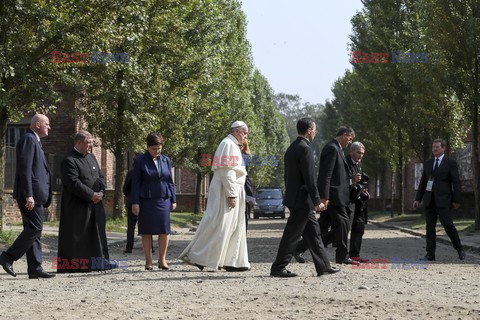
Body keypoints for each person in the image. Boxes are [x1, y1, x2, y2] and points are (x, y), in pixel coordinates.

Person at [270, 118, 340, 277]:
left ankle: (323, 266)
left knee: (314, 235)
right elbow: (309, 179)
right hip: (302, 201)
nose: (315, 132)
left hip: (297, 199)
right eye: (314, 130)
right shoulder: (305, 149)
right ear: (309, 130)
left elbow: (287, 177)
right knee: (291, 236)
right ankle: (278, 267)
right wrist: (317, 201)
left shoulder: (292, 148)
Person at [179, 121, 250, 272]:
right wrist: (231, 194)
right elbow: (226, 171)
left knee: (232, 227)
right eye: (244, 133)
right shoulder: (228, 144)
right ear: (237, 131)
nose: (246, 137)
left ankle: (232, 261)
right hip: (227, 191)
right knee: (221, 225)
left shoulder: (232, 145)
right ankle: (199, 256)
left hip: (233, 190)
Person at [0, 114, 54, 279]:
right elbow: (25, 169)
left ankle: (35, 268)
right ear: (37, 124)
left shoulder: (35, 140)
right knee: (35, 228)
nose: (49, 127)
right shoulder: (29, 139)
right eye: (47, 124)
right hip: (31, 195)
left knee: (35, 231)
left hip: (36, 195)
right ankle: (7, 257)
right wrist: (28, 194)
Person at [57, 130, 112, 273]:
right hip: (78, 205)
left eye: (92, 143)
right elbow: (73, 183)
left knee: (97, 233)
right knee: (78, 236)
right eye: (88, 143)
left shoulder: (92, 158)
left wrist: (100, 192)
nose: (91, 146)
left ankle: (99, 262)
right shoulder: (69, 160)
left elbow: (100, 177)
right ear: (78, 142)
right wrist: (91, 195)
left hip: (95, 203)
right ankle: (76, 265)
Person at [413, 138, 465, 261]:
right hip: (429, 200)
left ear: (443, 148)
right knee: (430, 228)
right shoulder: (428, 163)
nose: (434, 149)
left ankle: (459, 248)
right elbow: (423, 182)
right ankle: (430, 254)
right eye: (433, 147)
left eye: (437, 147)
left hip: (444, 200)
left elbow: (456, 182)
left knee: (448, 225)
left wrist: (456, 200)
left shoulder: (450, 163)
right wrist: (417, 199)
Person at [131, 133, 176, 270]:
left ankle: (162, 260)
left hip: (163, 199)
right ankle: (148, 261)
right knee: (147, 230)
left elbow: (170, 181)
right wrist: (135, 202)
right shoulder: (140, 161)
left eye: (159, 148)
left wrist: (173, 199)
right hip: (146, 200)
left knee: (164, 230)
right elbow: (136, 183)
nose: (157, 151)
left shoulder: (166, 160)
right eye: (154, 149)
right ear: (147, 147)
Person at [317, 127, 357, 265]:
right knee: (344, 223)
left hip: (337, 196)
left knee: (343, 224)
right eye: (350, 139)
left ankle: (303, 246)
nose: (350, 142)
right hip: (333, 196)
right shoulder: (332, 148)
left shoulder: (337, 149)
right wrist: (324, 196)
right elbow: (326, 174)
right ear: (344, 135)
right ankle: (342, 256)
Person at [123, 153, 155, 254]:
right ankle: (150, 247)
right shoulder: (149, 172)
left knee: (131, 226)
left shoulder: (131, 172)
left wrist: (128, 194)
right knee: (148, 226)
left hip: (132, 201)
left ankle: (129, 247)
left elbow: (125, 188)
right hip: (146, 201)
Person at [345, 142, 370, 261]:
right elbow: (340, 180)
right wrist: (351, 181)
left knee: (359, 227)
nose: (360, 156)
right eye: (358, 153)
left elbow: (359, 181)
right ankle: (302, 247)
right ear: (351, 151)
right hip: (347, 201)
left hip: (358, 201)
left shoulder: (359, 164)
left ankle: (355, 255)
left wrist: (364, 190)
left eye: (362, 154)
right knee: (342, 229)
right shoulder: (344, 163)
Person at [241, 139, 255, 231]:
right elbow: (247, 178)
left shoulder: (243, 157)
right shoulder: (245, 157)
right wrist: (250, 195)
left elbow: (246, 177)